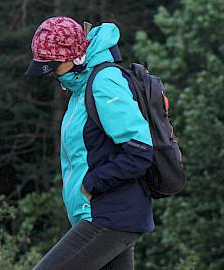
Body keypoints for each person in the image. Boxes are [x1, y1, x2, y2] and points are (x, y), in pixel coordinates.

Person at [25, 17, 154, 270]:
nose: (51, 72)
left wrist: (91, 184)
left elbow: (140, 150)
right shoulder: (80, 89)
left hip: (109, 215)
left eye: (53, 65)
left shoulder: (104, 82)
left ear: (75, 56)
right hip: (104, 215)